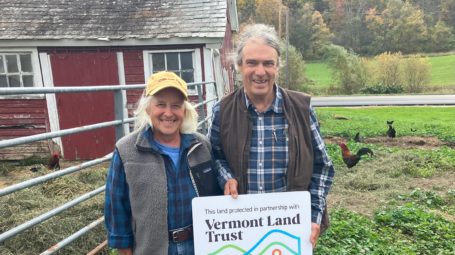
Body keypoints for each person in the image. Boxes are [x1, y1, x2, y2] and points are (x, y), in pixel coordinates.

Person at [208, 23, 335, 249]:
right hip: (241, 229)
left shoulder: (301, 109)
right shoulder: (223, 111)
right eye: (252, 63)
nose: (260, 72)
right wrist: (226, 177)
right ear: (239, 66)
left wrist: (313, 216)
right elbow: (216, 157)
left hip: (289, 229)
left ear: (277, 67)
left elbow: (322, 166)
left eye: (268, 63)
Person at [105, 71, 222, 255]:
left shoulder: (201, 146)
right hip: (153, 249)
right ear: (148, 108)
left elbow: (217, 196)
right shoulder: (126, 151)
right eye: (161, 104)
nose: (168, 113)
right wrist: (125, 250)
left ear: (185, 110)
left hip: (200, 247)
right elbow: (117, 210)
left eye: (176, 105)